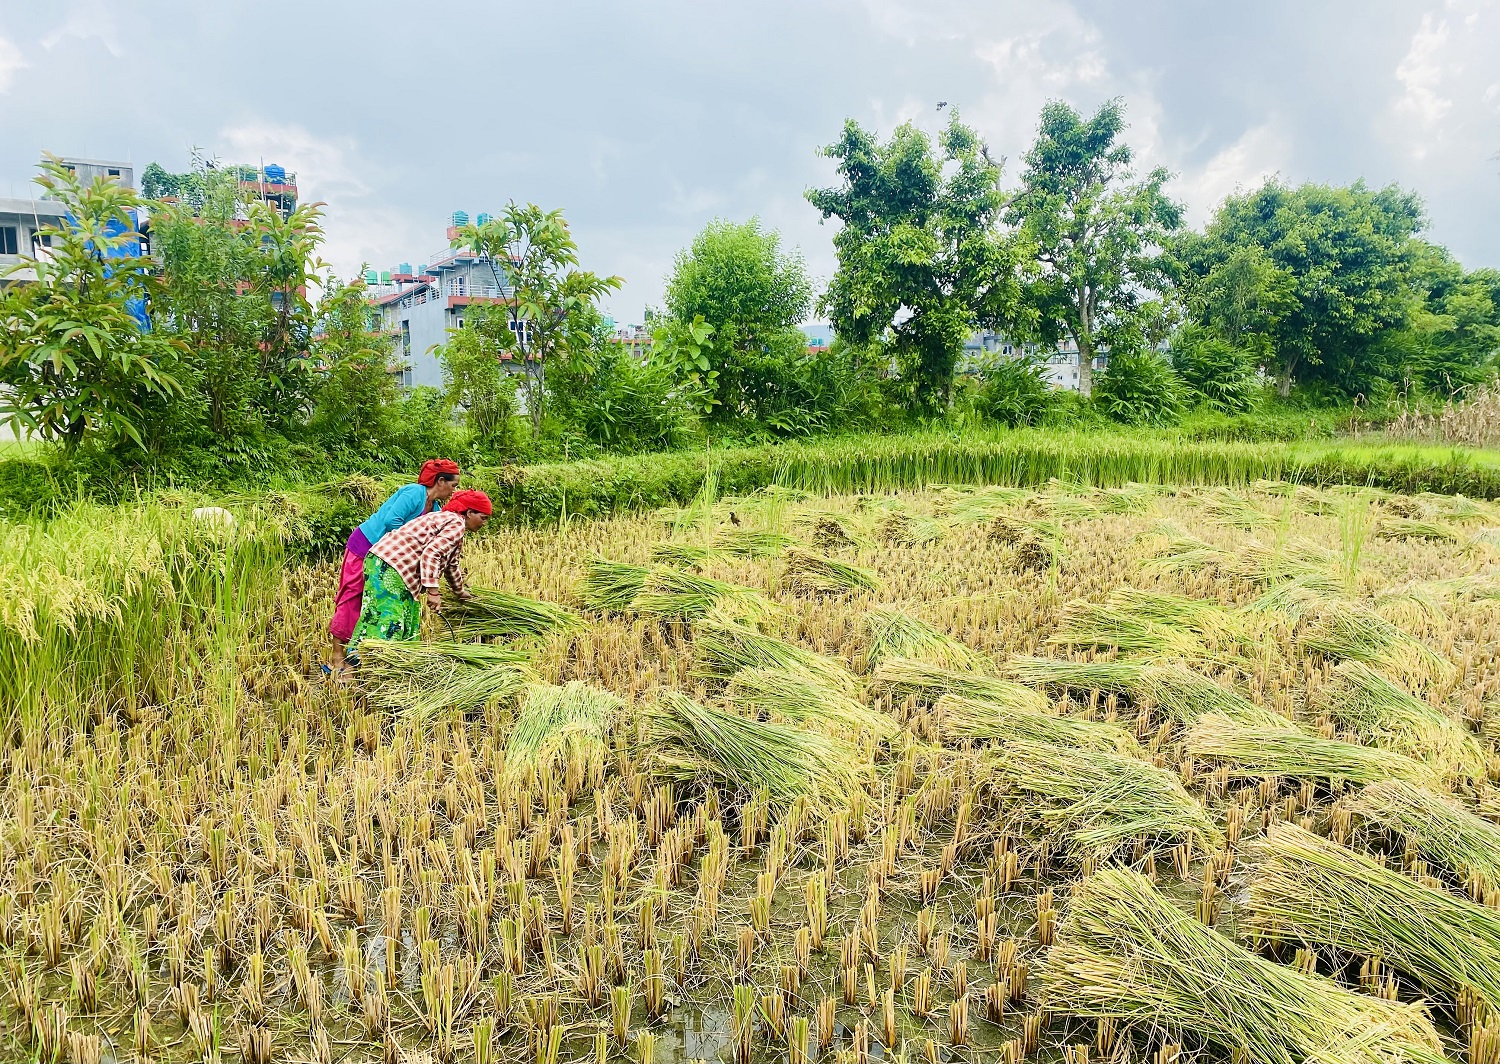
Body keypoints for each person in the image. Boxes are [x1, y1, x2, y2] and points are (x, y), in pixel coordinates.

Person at [326, 459, 461, 675]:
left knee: (372, 605)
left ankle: (364, 655)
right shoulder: (414, 493)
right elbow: (391, 521)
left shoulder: (435, 509)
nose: (454, 492)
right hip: (365, 545)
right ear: (441, 481)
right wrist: (409, 547)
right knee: (353, 598)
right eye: (453, 485)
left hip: (387, 559)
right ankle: (337, 656)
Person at [344, 489, 493, 663]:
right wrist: (433, 592)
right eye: (483, 518)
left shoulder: (452, 524)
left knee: (398, 617)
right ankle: (377, 668)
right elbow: (432, 553)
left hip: (386, 564)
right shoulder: (456, 523)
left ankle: (374, 664)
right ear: (469, 513)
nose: (484, 523)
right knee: (390, 619)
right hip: (389, 566)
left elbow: (451, 564)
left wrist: (460, 592)